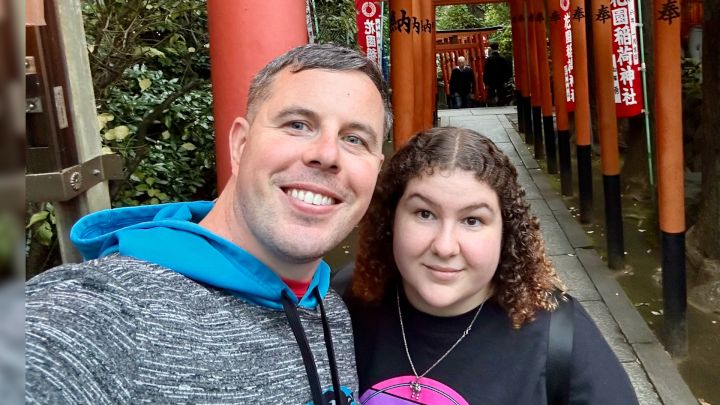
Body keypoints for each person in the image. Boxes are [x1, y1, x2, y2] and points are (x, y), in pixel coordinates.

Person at [25, 44, 392, 404]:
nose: (326, 154)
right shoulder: (111, 311)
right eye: (297, 124)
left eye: (354, 139)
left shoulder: (332, 313)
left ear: (376, 170)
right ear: (241, 144)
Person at [346, 127, 638, 404]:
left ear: (505, 232)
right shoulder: (343, 303)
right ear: (390, 218)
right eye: (424, 214)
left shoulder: (559, 337)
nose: (445, 247)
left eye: (472, 220)